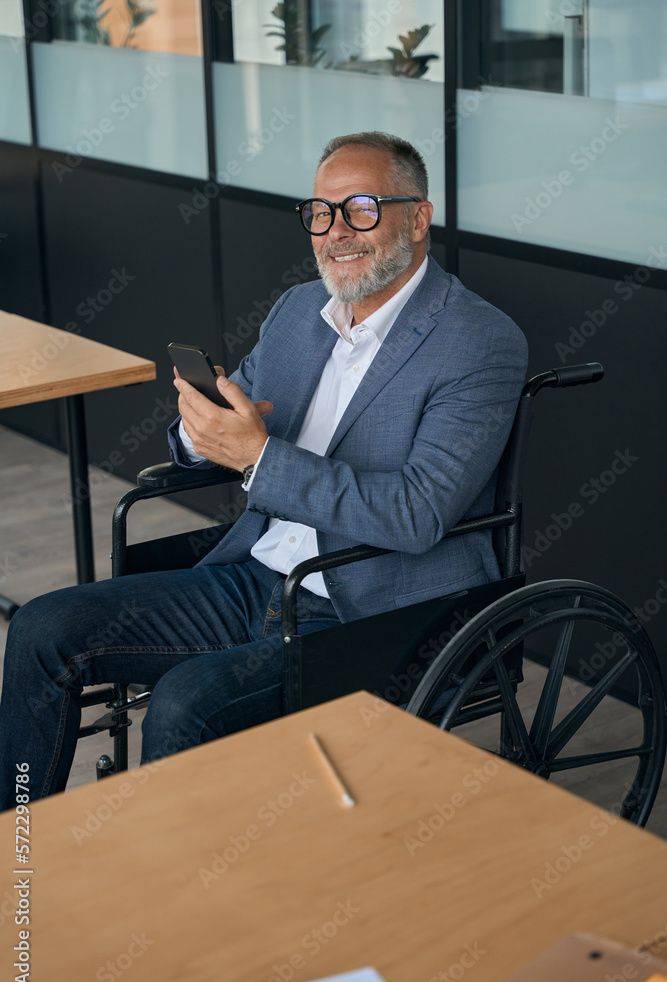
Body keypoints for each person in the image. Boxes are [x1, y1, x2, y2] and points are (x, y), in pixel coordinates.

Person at [0, 132, 527, 810]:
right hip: (254, 577)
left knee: (186, 702)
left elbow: (416, 514)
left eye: (361, 209)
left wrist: (256, 455)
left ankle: (179, 874)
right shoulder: (298, 311)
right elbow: (232, 424)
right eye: (320, 212)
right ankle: (19, 845)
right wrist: (202, 432)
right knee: (42, 628)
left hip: (372, 611)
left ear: (417, 218)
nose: (336, 231)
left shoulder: (478, 340)